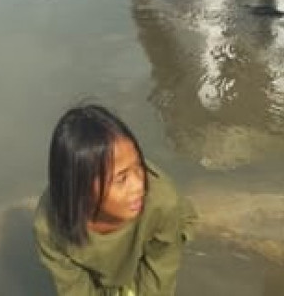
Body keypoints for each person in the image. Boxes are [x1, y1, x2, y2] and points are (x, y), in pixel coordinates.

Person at [33, 104, 197, 295]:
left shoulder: (160, 201)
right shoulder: (50, 228)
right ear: (81, 189)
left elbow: (161, 267)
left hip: (153, 239)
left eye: (138, 166)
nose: (138, 185)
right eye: (121, 179)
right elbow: (73, 288)